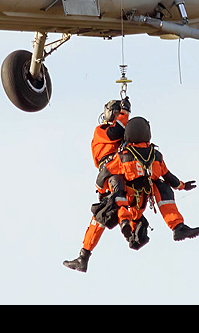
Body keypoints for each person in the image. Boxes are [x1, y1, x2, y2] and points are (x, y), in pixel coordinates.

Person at [107, 116, 199, 250]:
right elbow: (168, 176)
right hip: (144, 195)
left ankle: (127, 224)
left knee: (118, 184)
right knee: (163, 187)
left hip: (130, 197)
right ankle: (176, 225)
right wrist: (182, 186)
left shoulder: (122, 156)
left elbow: (106, 173)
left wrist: (101, 191)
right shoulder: (156, 155)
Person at [63, 97, 131, 273]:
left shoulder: (121, 137)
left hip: (120, 169)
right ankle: (125, 225)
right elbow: (116, 131)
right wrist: (125, 113)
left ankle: (83, 256)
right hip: (110, 170)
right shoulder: (101, 130)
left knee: (103, 214)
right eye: (116, 113)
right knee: (117, 196)